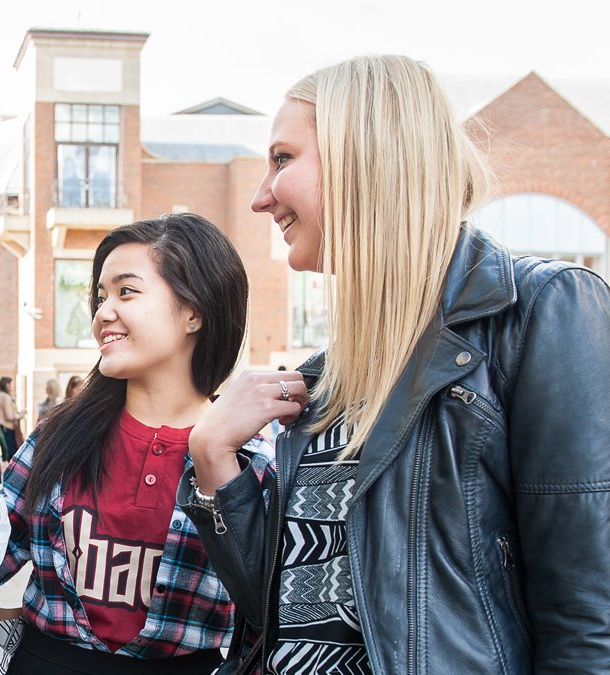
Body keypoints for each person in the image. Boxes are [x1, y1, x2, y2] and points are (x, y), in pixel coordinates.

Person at [180, 55, 610, 673]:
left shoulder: (543, 311)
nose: (259, 196)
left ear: (368, 155)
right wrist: (213, 459)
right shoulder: (328, 377)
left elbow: (586, 624)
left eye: (282, 160)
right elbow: (282, 614)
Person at [0, 213, 250, 673]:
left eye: (126, 291)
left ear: (194, 311)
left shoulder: (248, 453)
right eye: (100, 297)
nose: (103, 313)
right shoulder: (59, 435)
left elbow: (270, 611)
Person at [0, 377, 24, 461]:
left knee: (6, 454)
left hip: (0, 427)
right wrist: (21, 415)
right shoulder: (6, 397)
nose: (13, 386)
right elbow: (9, 416)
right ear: (7, 385)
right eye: (12, 384)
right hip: (7, 429)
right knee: (12, 454)